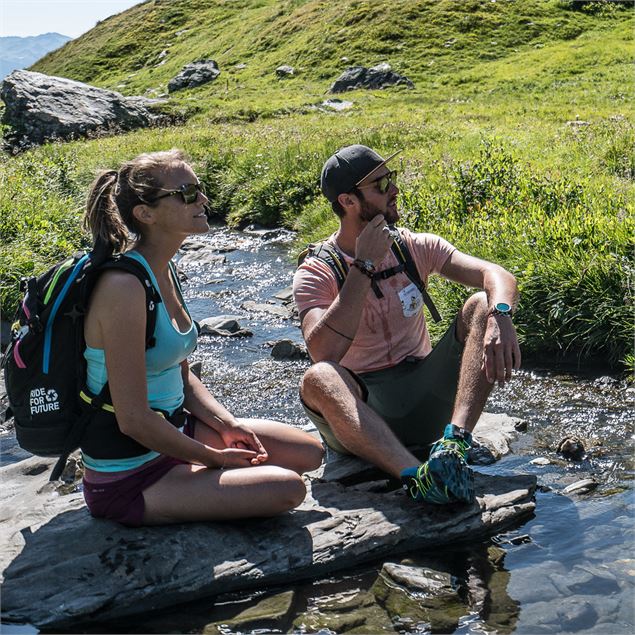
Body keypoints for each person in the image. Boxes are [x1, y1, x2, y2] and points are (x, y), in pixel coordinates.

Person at [80, 149, 324, 527]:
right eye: (187, 193)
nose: (204, 200)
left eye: (200, 189)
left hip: (176, 431)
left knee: (308, 453)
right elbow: (133, 419)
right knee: (289, 488)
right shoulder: (123, 288)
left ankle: (200, 464)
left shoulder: (164, 270)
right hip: (132, 471)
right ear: (146, 214)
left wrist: (226, 424)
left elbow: (180, 372)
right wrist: (214, 458)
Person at [293, 145, 521, 505]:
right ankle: (419, 477)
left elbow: (495, 274)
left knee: (482, 304)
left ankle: (455, 442)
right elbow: (323, 353)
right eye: (381, 185)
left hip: (423, 396)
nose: (394, 190)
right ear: (348, 201)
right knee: (317, 378)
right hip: (361, 417)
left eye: (391, 179)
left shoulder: (412, 246)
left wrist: (501, 315)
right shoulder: (316, 272)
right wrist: (363, 265)